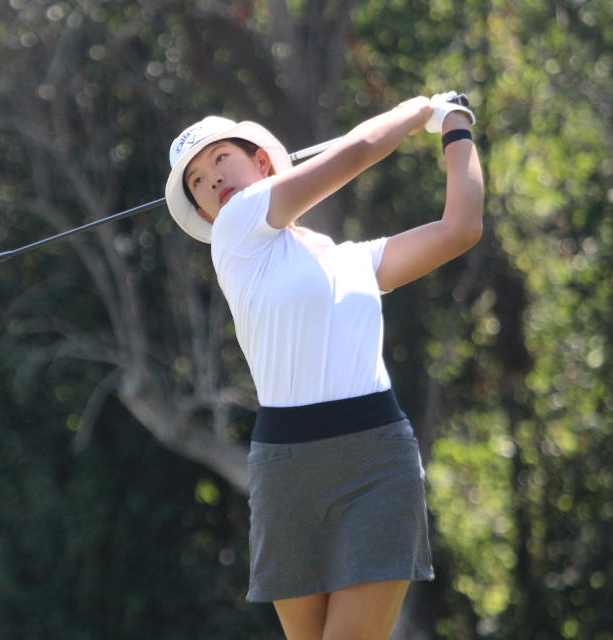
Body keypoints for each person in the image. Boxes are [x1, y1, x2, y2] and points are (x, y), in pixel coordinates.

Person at [163, 93, 483, 640]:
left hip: (376, 461)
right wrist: (418, 110)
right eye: (195, 181)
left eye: (220, 159)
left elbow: (459, 229)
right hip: (287, 471)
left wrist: (456, 127)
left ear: (262, 162)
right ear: (206, 211)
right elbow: (357, 150)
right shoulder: (236, 231)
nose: (211, 180)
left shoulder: (353, 261)